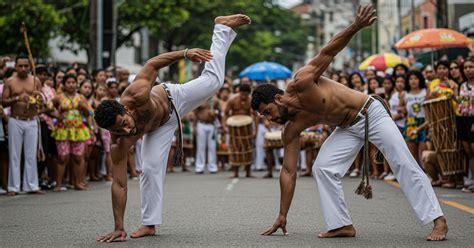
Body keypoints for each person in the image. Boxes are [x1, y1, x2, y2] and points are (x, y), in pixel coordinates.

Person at [252, 5, 447, 241]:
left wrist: (356, 26)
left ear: (278, 98)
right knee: (322, 167)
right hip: (347, 128)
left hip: (370, 113)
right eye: (264, 117)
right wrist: (282, 214)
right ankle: (341, 224)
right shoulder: (291, 128)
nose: (269, 118)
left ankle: (438, 220)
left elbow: (328, 51)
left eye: (268, 111)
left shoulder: (302, 81)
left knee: (402, 161)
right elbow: (288, 171)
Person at [94, 14, 250, 242]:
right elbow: (119, 184)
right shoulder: (118, 142)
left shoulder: (136, 93)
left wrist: (186, 54)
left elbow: (152, 63)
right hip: (159, 128)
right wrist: (119, 227)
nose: (126, 132)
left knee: (214, 82)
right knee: (149, 168)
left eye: (125, 125)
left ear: (125, 110)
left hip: (174, 98)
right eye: (119, 131)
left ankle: (221, 28)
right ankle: (149, 224)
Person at [2, 54, 44, 196]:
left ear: (30, 66)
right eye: (20, 66)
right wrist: (17, 98)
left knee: (31, 155)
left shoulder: (35, 80)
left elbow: (41, 101)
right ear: (15, 67)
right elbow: (3, 102)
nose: (23, 68)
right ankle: (13, 187)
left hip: (31, 120)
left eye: (26, 66)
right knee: (14, 155)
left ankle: (32, 186)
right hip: (16, 120)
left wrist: (38, 97)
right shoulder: (10, 82)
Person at [51, 75, 91, 191]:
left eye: (73, 82)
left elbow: (90, 114)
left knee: (78, 157)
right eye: (68, 82)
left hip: (78, 129)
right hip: (63, 129)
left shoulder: (81, 98)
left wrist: (84, 108)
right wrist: (57, 115)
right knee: (62, 157)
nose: (71, 84)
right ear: (63, 84)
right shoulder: (59, 98)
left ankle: (77, 183)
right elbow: (47, 107)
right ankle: (58, 184)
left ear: (76, 84)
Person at [224, 83, 256, 178]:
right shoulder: (232, 100)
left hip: (247, 128)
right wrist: (225, 125)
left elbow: (256, 116)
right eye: (242, 94)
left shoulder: (251, 101)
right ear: (239, 92)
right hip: (234, 128)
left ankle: (248, 172)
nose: (243, 96)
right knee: (235, 148)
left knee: (248, 148)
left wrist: (255, 130)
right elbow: (226, 113)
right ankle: (235, 172)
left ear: (248, 94)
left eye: (245, 95)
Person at [193, 95, 221, 174]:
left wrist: (215, 112)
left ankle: (212, 167)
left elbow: (220, 111)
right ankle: (199, 167)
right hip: (201, 124)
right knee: (201, 146)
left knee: (212, 147)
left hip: (211, 125)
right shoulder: (201, 99)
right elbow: (195, 113)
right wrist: (194, 126)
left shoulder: (216, 100)